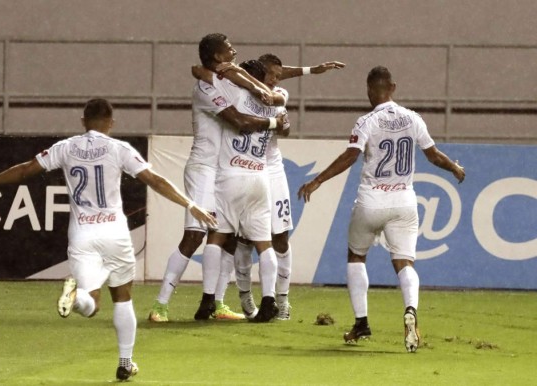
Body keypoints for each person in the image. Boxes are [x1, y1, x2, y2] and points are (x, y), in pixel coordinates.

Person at [0, 98, 217, 380]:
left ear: (83, 122)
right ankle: (125, 362)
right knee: (122, 297)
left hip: (82, 234)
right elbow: (155, 180)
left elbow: (25, 169)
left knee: (91, 304)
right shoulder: (118, 148)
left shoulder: (66, 147)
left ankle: (78, 297)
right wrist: (191, 205)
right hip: (114, 233)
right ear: (111, 123)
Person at [297, 66, 465, 352]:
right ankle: (410, 309)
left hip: (371, 200)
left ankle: (361, 322)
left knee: (356, 257)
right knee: (404, 263)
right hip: (403, 202)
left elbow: (351, 156)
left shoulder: (366, 121)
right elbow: (433, 154)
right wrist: (454, 167)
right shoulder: (413, 118)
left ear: (369, 90)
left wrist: (317, 180)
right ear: (393, 87)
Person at [148, 33, 287, 323]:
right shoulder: (207, 87)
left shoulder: (226, 83)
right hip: (204, 168)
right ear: (218, 57)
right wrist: (271, 111)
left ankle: (216, 302)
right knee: (195, 235)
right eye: (229, 50)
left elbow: (232, 77)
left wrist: (242, 77)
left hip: (225, 172)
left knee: (226, 238)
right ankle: (160, 305)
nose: (235, 52)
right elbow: (237, 116)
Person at [230, 53, 346, 320]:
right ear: (258, 75)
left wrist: (281, 119)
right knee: (246, 239)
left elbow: (285, 127)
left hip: (272, 170)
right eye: (270, 75)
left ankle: (282, 299)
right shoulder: (242, 97)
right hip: (245, 171)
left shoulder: (278, 94)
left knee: (280, 237)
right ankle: (246, 296)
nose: (274, 80)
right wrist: (310, 69)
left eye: (278, 76)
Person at [196, 59, 286, 322]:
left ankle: (208, 299)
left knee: (217, 236)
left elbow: (200, 72)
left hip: (231, 175)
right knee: (264, 243)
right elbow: (284, 121)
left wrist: (230, 72)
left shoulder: (232, 92)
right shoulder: (275, 100)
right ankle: (268, 300)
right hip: (259, 177)